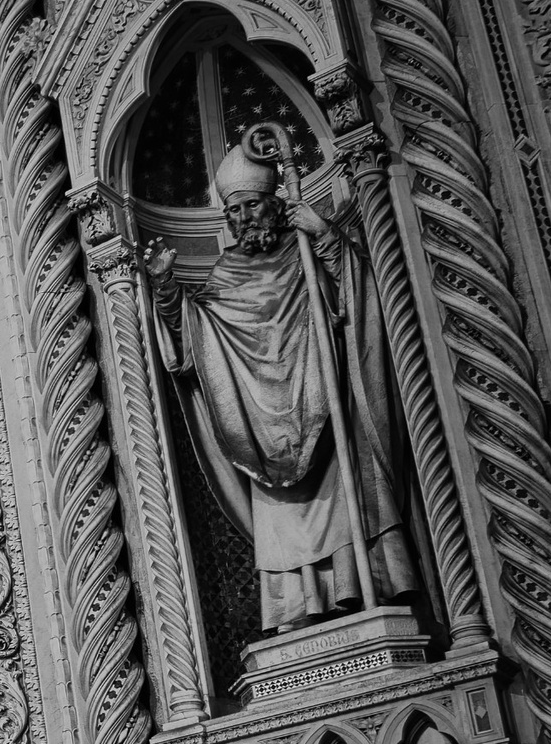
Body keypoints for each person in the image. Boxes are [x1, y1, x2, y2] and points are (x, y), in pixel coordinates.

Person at [144, 129, 416, 632]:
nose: (244, 220)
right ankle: (299, 609)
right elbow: (196, 344)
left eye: (251, 206)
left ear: (275, 203)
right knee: (285, 521)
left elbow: (357, 298)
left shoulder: (307, 252)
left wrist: (327, 234)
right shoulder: (226, 272)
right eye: (234, 212)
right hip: (261, 426)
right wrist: (164, 285)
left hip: (328, 408)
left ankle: (364, 589)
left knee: (351, 495)